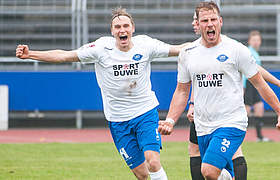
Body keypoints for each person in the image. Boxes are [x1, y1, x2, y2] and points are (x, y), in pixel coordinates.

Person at [16, 7, 187, 180]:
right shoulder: (100, 48)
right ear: (112, 31)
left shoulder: (146, 45)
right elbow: (64, 56)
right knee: (142, 175)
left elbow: (179, 49)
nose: (122, 30)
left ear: (132, 28)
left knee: (153, 161)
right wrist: (31, 54)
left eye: (126, 26)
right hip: (118, 120)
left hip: (145, 113)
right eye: (118, 27)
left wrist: (210, 44)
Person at [158, 2, 280, 180]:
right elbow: (182, 91)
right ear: (198, 24)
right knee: (215, 173)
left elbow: (259, 83)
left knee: (208, 171)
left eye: (213, 19)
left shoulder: (236, 50)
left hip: (232, 122)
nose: (210, 24)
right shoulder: (187, 53)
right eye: (205, 20)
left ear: (220, 21)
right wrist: (171, 120)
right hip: (203, 125)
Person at [187, 11, 280, 180]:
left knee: (217, 158)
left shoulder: (230, 48)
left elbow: (254, 70)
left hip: (227, 112)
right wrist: (192, 104)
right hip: (204, 113)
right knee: (203, 153)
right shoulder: (190, 49)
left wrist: (277, 83)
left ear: (219, 21)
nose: (196, 24)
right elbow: (196, 81)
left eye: (199, 20)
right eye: (199, 21)